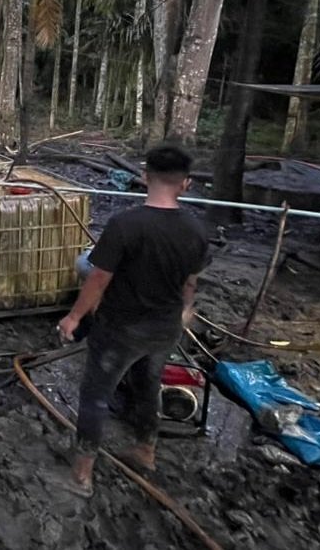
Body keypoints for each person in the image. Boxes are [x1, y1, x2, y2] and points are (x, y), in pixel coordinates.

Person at [57, 143, 209, 497]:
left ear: (144, 176)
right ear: (185, 183)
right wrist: (185, 310)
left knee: (95, 396)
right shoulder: (196, 229)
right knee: (148, 387)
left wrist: (74, 317)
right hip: (164, 329)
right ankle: (146, 449)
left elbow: (97, 278)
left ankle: (82, 474)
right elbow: (191, 280)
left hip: (120, 331)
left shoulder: (126, 224)